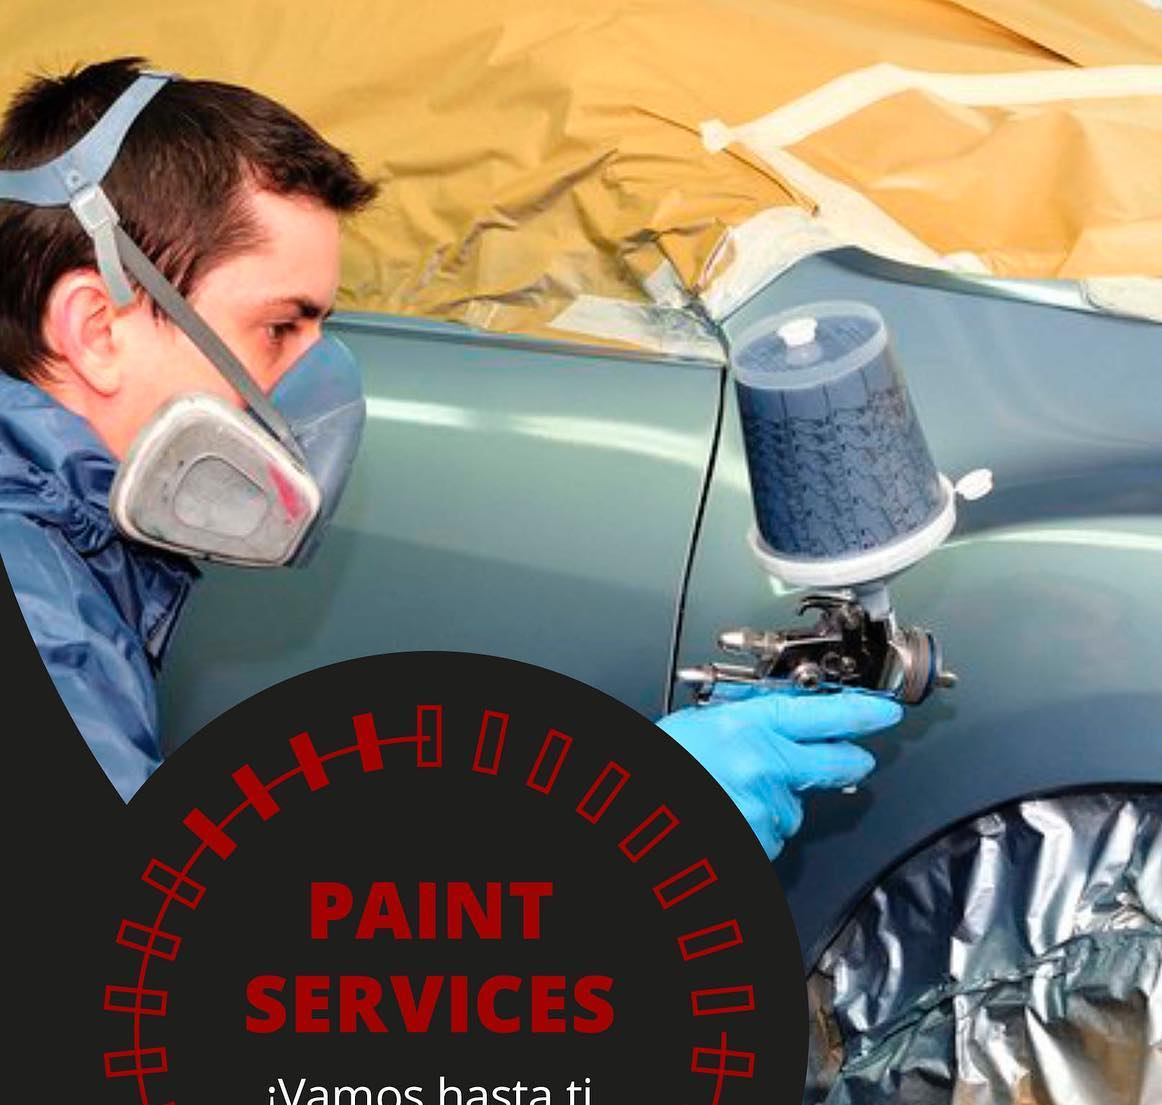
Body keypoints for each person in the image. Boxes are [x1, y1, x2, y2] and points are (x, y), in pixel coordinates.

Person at [0, 58, 901, 857]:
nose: (313, 394)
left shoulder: (70, 561)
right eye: (279, 329)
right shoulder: (39, 608)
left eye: (321, 333)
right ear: (97, 327)